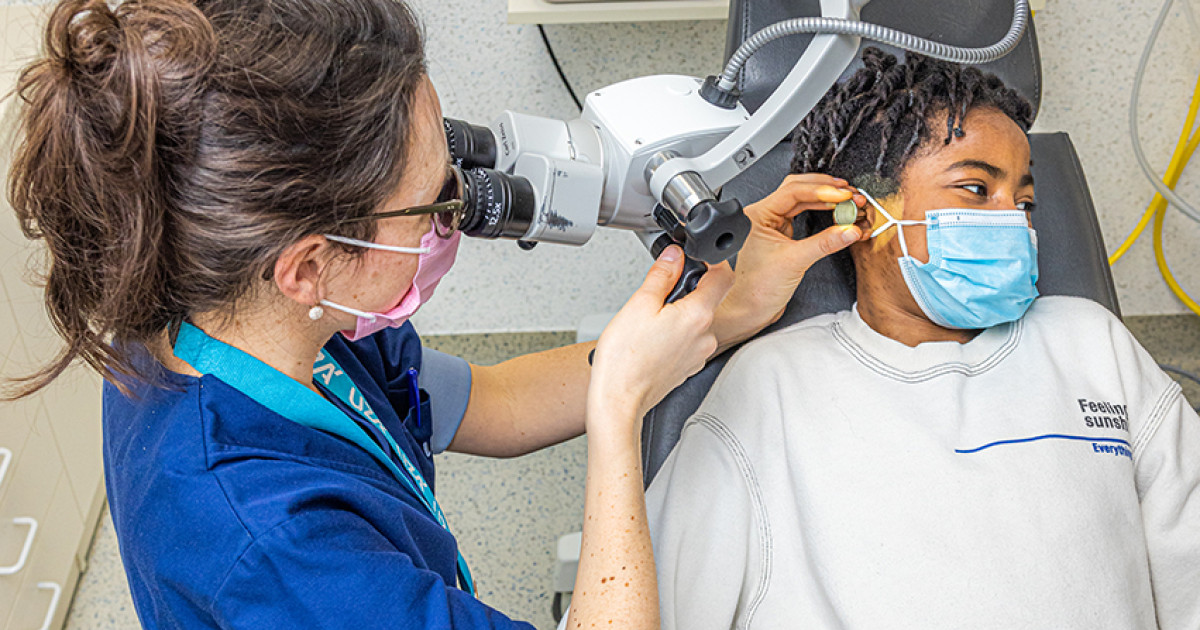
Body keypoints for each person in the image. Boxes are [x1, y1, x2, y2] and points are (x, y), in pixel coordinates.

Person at [1, 0, 868, 627]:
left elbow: (488, 402)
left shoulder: (255, 313)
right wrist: (617, 412)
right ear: (309, 264)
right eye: (433, 203)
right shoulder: (276, 554)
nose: (460, 210)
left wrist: (729, 310)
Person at [645, 48, 1200, 629]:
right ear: (857, 213)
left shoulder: (1091, 346)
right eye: (976, 191)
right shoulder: (775, 384)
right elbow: (648, 605)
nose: (1013, 220)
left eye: (1026, 201)